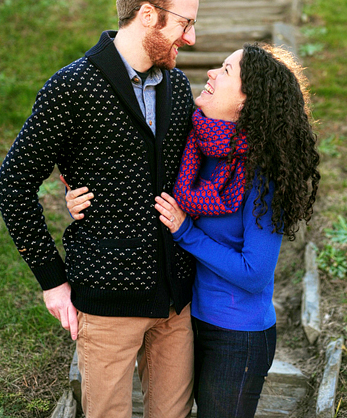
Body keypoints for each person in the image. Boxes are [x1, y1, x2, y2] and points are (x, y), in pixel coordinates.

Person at [0, 0, 211, 418]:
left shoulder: (176, 84)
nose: (191, 38)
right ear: (148, 15)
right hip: (108, 299)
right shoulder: (71, 87)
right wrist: (52, 282)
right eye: (185, 23)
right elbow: (13, 184)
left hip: (176, 302)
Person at [67, 43, 320, 418]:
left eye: (227, 71)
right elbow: (133, 170)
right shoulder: (197, 147)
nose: (212, 74)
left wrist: (186, 232)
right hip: (190, 317)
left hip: (238, 335)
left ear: (246, 104)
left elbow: (255, 274)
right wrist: (80, 194)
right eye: (219, 65)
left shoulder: (263, 176)